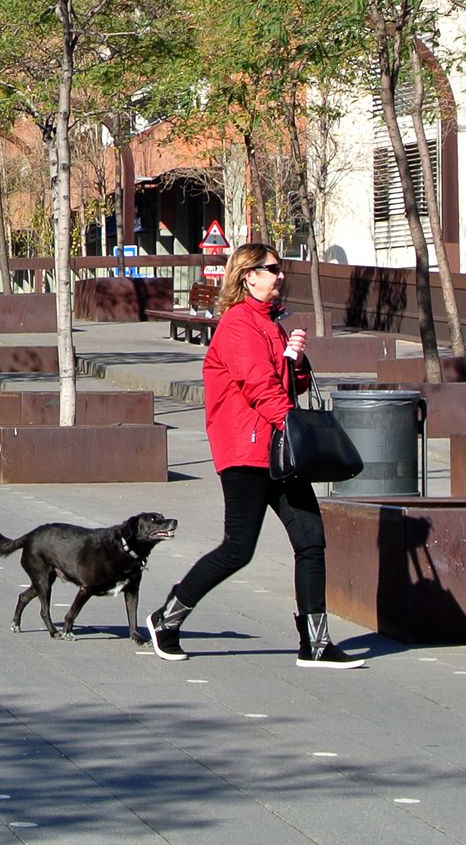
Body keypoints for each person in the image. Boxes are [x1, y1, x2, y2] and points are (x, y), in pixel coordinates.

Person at [144, 242, 364, 670]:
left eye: (280, 270)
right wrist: (295, 426)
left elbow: (287, 385)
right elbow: (258, 388)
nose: (280, 276)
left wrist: (296, 361)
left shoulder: (271, 325)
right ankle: (166, 618)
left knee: (310, 540)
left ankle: (315, 644)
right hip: (247, 452)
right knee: (238, 548)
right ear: (250, 276)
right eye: (272, 269)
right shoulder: (238, 325)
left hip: (281, 450)